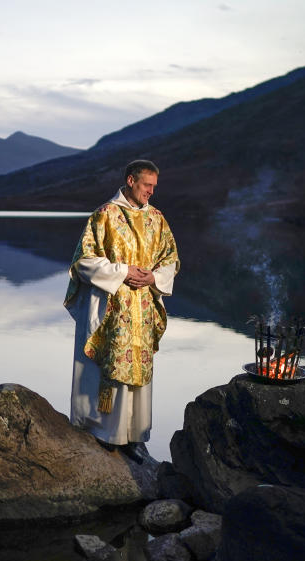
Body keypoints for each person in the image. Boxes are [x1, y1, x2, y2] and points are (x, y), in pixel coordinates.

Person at [64, 159, 179, 462]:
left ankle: (134, 436)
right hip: (112, 307)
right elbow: (83, 261)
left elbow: (171, 261)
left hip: (143, 308)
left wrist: (152, 277)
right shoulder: (104, 216)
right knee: (110, 368)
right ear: (131, 180)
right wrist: (122, 271)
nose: (151, 193)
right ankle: (105, 432)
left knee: (139, 372)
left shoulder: (157, 219)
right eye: (146, 186)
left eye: (154, 187)